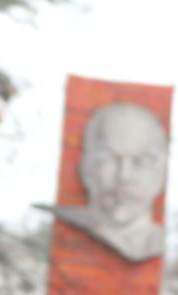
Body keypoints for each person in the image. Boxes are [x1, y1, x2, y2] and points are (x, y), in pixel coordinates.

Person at [38, 103, 169, 263]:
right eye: (109, 159)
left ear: (161, 173)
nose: (124, 176)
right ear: (85, 166)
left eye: (141, 161)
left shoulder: (171, 240)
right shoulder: (61, 227)